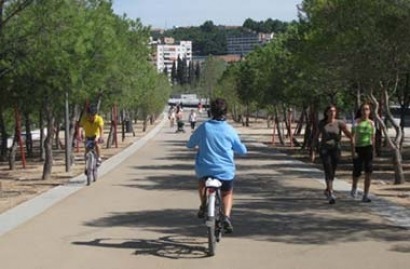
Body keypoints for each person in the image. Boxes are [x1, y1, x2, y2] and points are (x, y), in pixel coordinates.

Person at [187, 98, 247, 233]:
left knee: (202, 183)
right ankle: (226, 216)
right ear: (226, 112)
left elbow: (190, 144)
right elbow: (242, 150)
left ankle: (203, 204)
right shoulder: (229, 130)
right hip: (225, 171)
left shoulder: (204, 127)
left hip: (205, 169)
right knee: (227, 193)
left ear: (211, 112)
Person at [311, 105, 353, 204]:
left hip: (336, 149)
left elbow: (348, 134)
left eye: (334, 111)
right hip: (325, 150)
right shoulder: (322, 123)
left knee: (332, 171)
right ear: (326, 112)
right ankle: (331, 192)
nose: (332, 113)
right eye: (330, 111)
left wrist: (354, 135)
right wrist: (313, 151)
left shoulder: (340, 123)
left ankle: (327, 189)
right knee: (328, 169)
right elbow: (316, 137)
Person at [351, 102, 375, 202]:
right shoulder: (356, 122)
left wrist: (374, 150)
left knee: (368, 172)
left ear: (369, 111)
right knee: (357, 171)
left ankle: (365, 195)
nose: (365, 111)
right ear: (360, 111)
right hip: (358, 148)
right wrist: (353, 150)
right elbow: (352, 137)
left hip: (368, 148)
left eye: (367, 109)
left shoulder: (371, 123)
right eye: (363, 109)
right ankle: (354, 187)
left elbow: (373, 137)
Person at [80, 105, 104, 172]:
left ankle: (99, 158)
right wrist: (81, 133)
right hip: (87, 135)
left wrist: (101, 137)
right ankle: (87, 165)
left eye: (92, 115)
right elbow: (81, 127)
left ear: (95, 114)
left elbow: (101, 129)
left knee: (97, 145)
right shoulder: (85, 118)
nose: (90, 117)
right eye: (89, 115)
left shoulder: (99, 119)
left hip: (96, 135)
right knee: (87, 148)